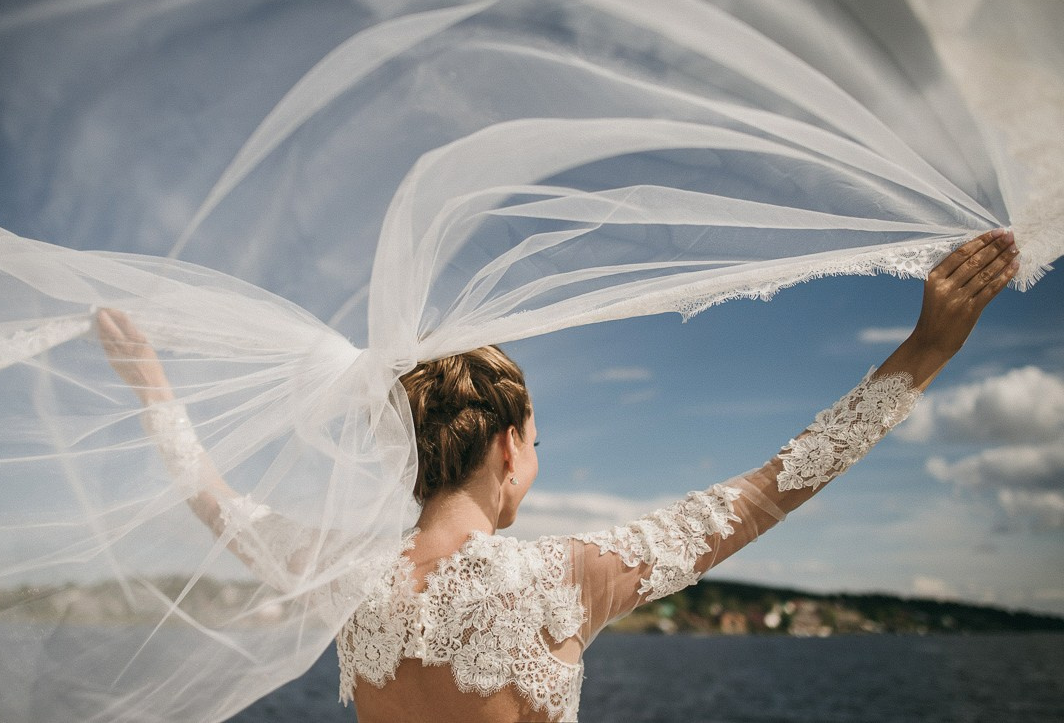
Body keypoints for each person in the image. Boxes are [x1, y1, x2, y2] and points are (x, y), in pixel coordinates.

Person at [98, 229, 1019, 722]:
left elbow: (217, 501)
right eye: (538, 438)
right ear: (506, 445)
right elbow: (769, 488)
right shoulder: (561, 581)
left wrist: (154, 391)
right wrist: (925, 349)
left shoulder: (348, 581)